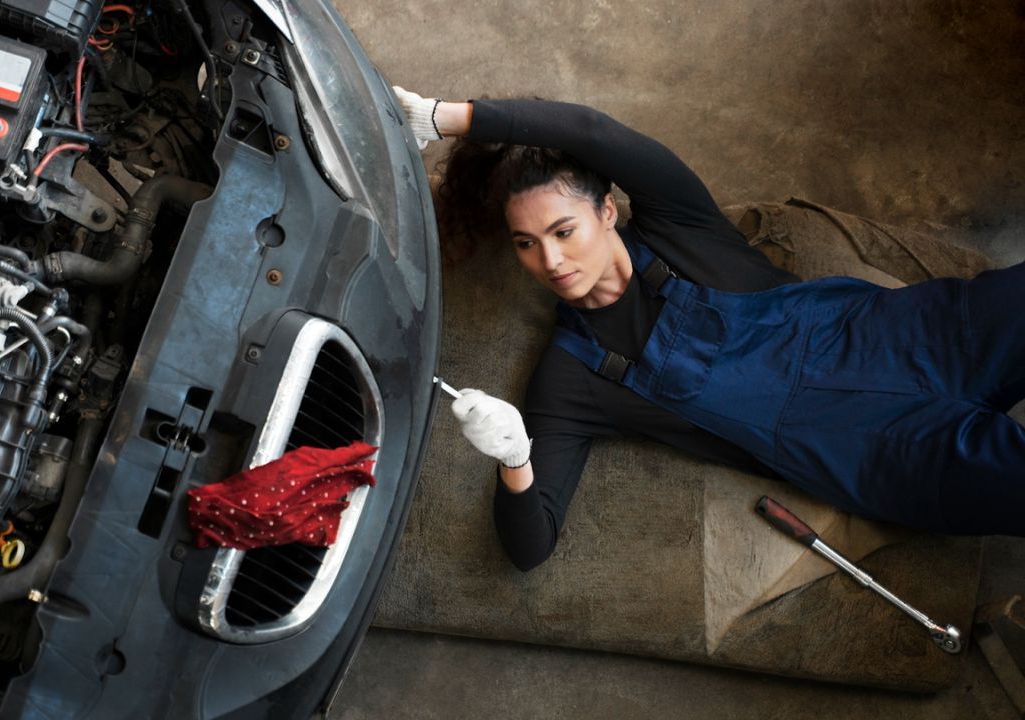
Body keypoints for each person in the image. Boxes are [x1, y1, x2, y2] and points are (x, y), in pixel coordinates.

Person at [391, 87, 1025, 571]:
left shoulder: (679, 225)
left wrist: (447, 117)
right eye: (527, 245)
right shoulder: (573, 375)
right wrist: (515, 457)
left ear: (608, 211)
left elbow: (590, 130)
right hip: (886, 457)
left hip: (914, 335)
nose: (550, 262)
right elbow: (529, 547)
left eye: (563, 232)